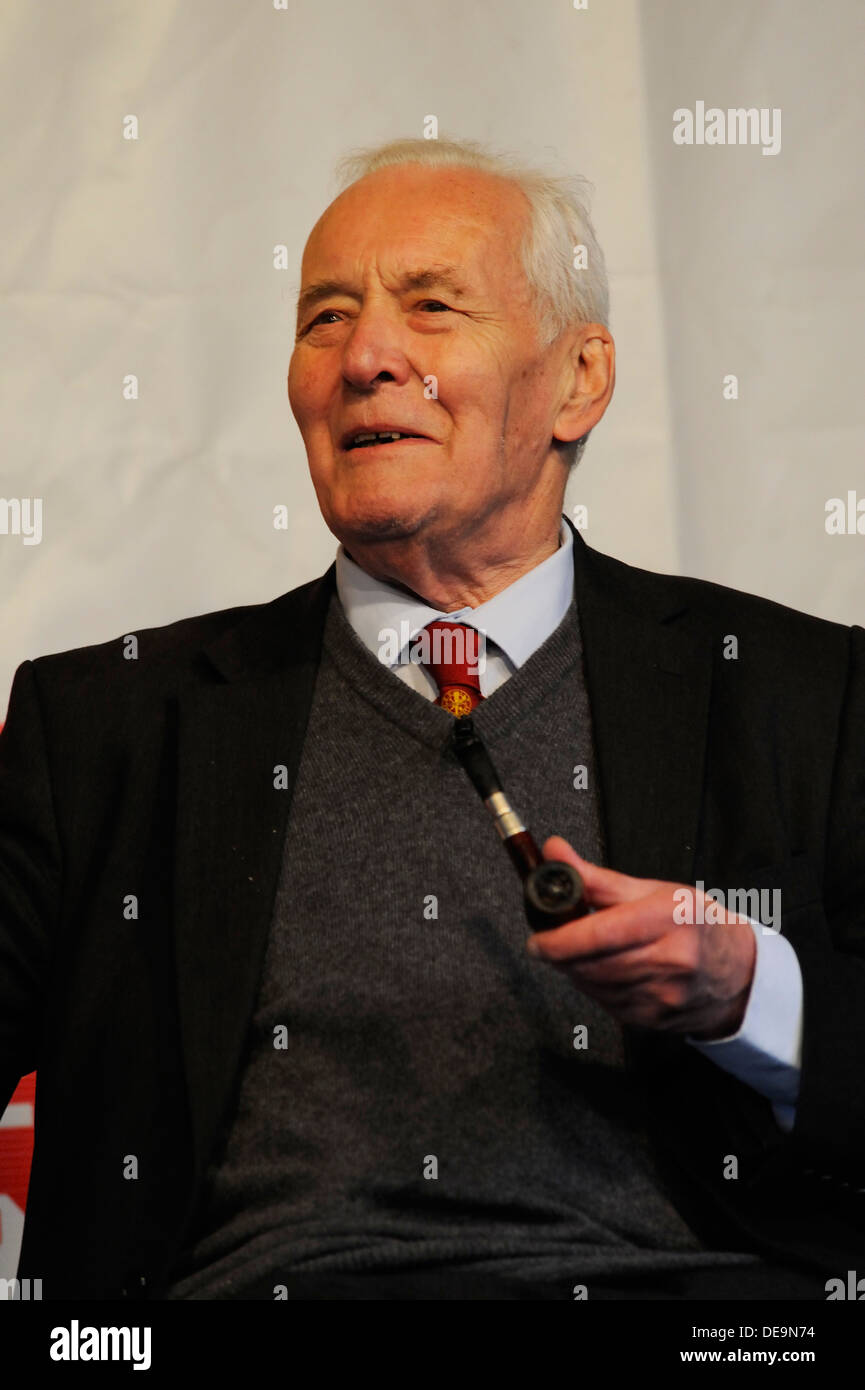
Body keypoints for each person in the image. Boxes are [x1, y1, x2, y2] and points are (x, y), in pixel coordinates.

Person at [1, 137, 863, 1302]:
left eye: (432, 306)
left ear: (578, 380)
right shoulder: (105, 727)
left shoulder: (800, 692)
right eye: (325, 317)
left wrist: (749, 992)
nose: (364, 356)